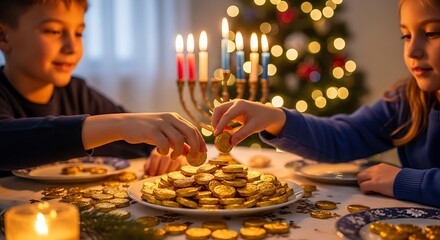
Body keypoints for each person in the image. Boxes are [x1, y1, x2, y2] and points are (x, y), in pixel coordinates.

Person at [212, 0, 440, 208]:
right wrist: (277, 119)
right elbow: (342, 137)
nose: (412, 50)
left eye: (432, 33)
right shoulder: (407, 101)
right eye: (406, 36)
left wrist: (408, 181)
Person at [0, 0, 206, 175]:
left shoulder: (78, 93)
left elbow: (141, 142)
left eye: (79, 33)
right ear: (3, 37)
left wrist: (165, 154)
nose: (72, 47)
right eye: (53, 31)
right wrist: (120, 125)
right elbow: (8, 142)